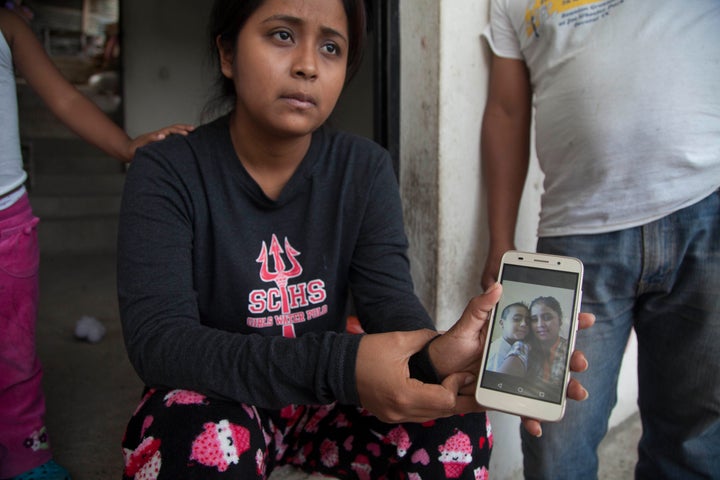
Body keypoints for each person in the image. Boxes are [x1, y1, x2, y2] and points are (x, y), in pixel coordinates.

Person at [116, 0, 593, 478]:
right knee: (190, 432)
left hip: (331, 401)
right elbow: (161, 343)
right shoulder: (168, 170)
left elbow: (390, 307)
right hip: (227, 392)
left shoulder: (363, 168)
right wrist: (344, 364)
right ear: (226, 53)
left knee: (455, 427)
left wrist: (440, 356)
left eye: (331, 47)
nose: (307, 65)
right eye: (282, 35)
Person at [479, 0, 720, 478]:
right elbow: (506, 113)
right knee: (553, 441)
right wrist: (500, 239)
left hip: (705, 210)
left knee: (696, 440)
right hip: (575, 242)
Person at [0, 6, 193, 480]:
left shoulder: (7, 25)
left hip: (6, 223)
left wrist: (127, 147)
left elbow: (65, 100)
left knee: (14, 352)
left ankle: (26, 457)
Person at [526, 297, 566, 387]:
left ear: (560, 321)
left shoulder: (567, 350)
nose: (540, 325)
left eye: (547, 318)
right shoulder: (526, 347)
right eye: (534, 320)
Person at [486, 301, 531, 377]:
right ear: (502, 323)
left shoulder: (519, 347)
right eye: (517, 319)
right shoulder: (497, 352)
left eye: (527, 321)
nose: (524, 324)